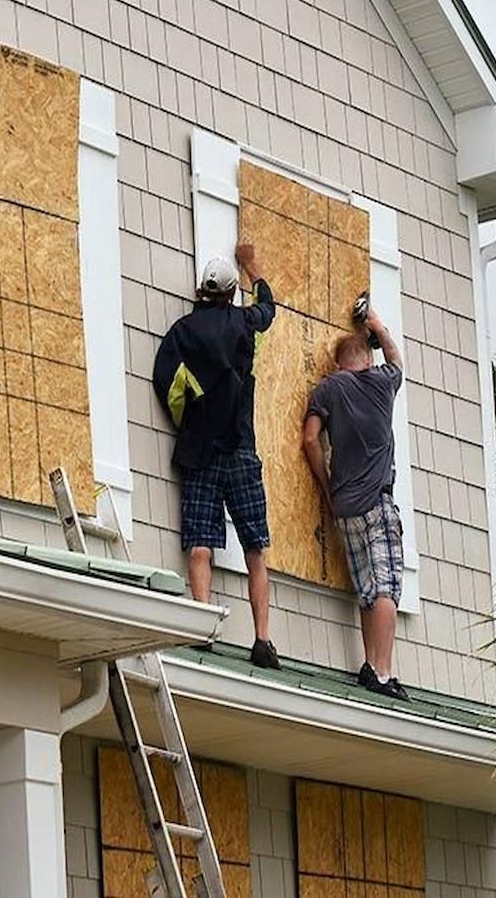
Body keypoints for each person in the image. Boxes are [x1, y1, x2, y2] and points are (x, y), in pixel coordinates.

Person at [151, 241, 282, 669]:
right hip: (241, 448)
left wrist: (189, 418)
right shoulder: (246, 323)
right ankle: (262, 641)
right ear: (229, 294)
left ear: (201, 292)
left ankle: (203, 630)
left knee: (200, 545)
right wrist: (253, 266)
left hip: (200, 450)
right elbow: (269, 308)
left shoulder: (181, 333)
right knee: (255, 549)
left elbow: (166, 385)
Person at [302, 306, 408, 699]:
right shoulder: (382, 382)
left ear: (338, 362)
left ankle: (369, 664)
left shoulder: (328, 388)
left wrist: (327, 486)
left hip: (345, 505)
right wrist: (377, 325)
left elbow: (311, 439)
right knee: (386, 586)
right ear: (366, 360)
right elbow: (397, 358)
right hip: (377, 502)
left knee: (366, 585)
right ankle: (381, 672)